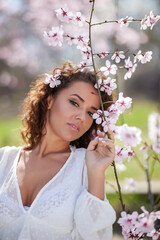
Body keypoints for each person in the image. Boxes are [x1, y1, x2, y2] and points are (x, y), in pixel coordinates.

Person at [0, 61, 116, 240]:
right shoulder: (4, 160)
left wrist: (96, 172)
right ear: (49, 100)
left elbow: (95, 236)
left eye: (91, 113)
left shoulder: (86, 165)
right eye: (74, 103)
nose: (81, 117)